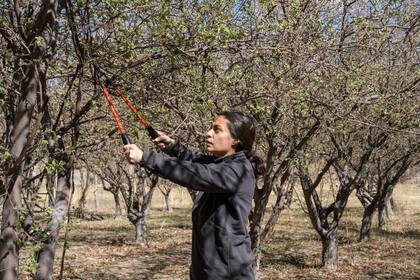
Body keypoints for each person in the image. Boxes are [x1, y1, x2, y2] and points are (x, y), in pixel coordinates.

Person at [124, 111, 258, 280]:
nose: (208, 133)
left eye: (217, 130)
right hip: (208, 269)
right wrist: (172, 146)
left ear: (236, 139)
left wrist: (145, 157)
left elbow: (195, 173)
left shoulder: (238, 170)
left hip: (228, 273)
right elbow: (196, 160)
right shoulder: (225, 163)